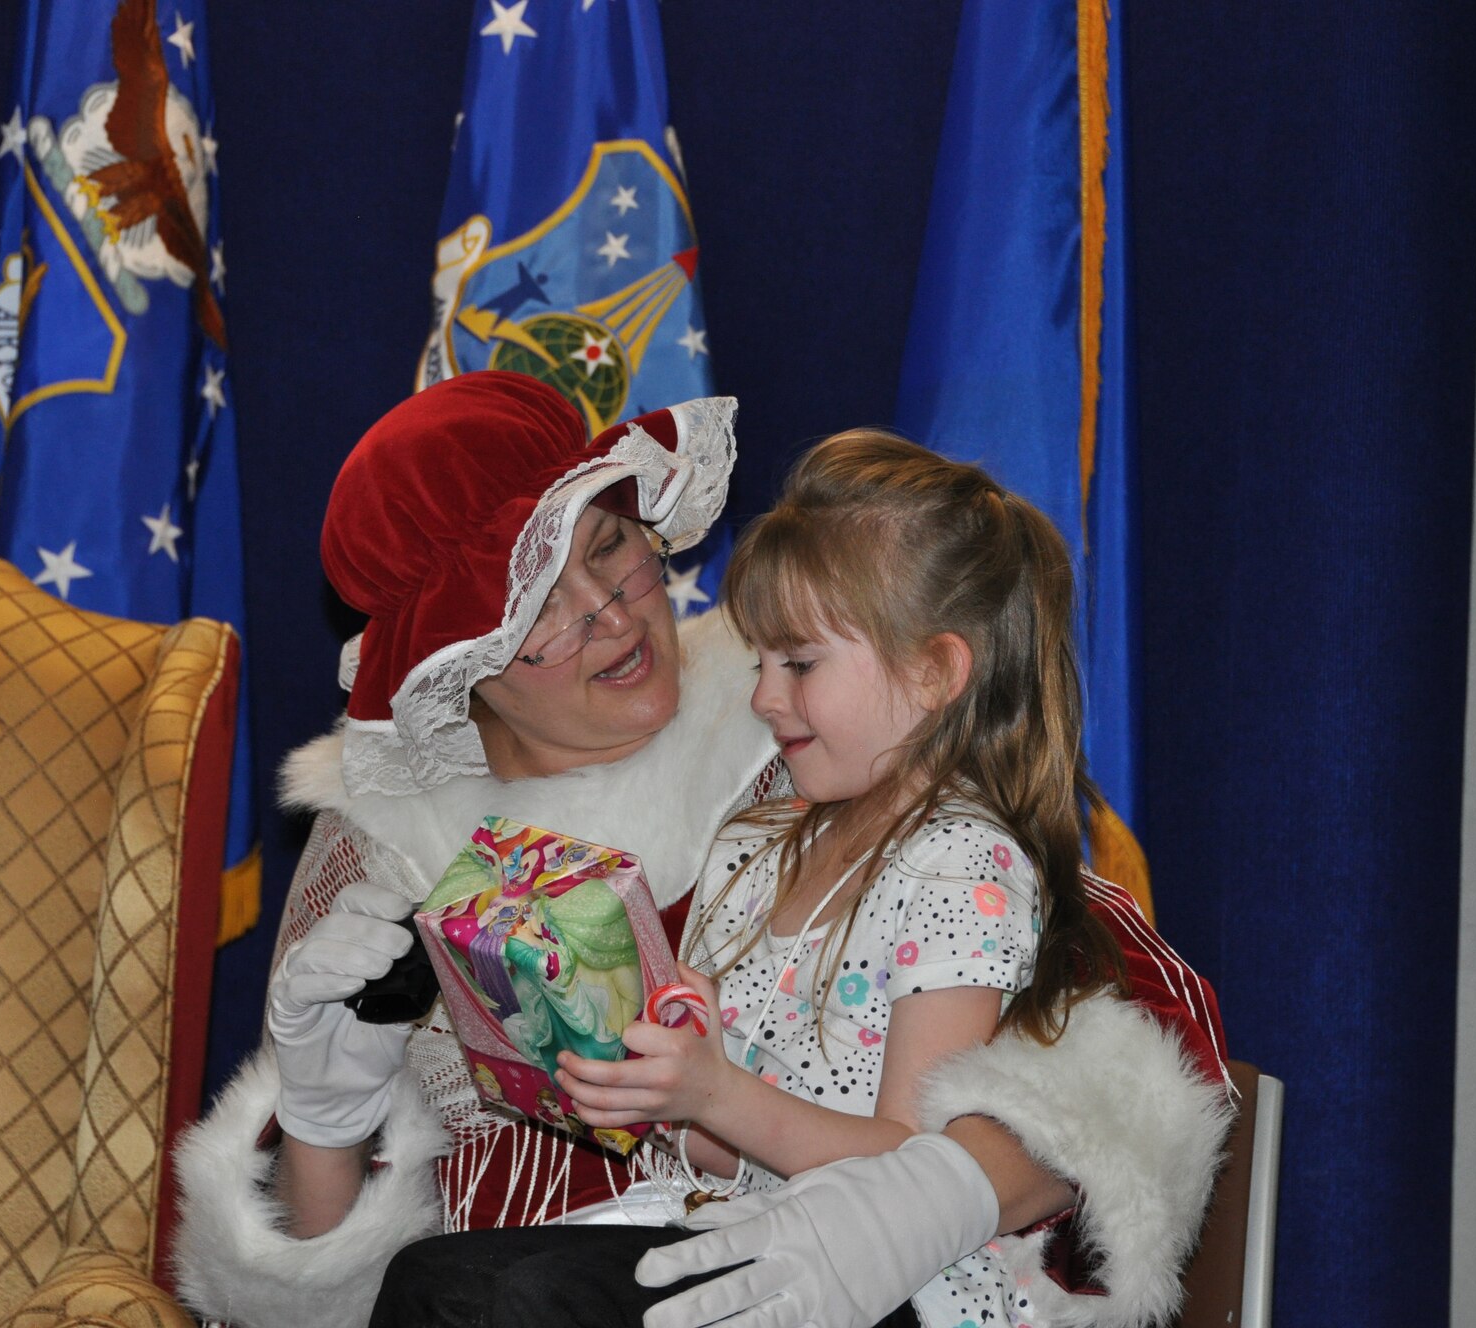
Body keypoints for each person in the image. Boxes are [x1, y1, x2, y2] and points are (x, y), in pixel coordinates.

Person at [172, 372, 1236, 1328]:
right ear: (458, 665)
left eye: (610, 549)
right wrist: (323, 1117)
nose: (608, 614)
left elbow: (1129, 1016)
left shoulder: (815, 737)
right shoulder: (377, 866)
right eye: (539, 606)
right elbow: (309, 1297)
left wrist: (935, 1191)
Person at [374, 431, 1156, 1328]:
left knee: (527, 1303)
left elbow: (908, 1163)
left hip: (895, 1286)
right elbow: (729, 1150)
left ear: (937, 670)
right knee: (431, 1283)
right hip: (745, 1235)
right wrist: (653, 1090)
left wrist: (716, 1092)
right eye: (761, 664)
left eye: (801, 665)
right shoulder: (754, 843)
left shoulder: (964, 865)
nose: (763, 698)